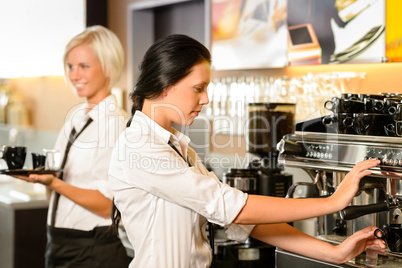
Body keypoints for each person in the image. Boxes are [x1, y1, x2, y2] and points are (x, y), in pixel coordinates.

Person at [108, 34, 384, 268]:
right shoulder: (140, 147)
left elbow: (244, 221)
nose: (206, 99)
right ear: (165, 86)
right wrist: (332, 202)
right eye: (198, 88)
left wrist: (334, 253)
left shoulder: (181, 150)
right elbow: (229, 207)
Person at [14, 25, 130, 268]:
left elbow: (108, 205)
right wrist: (44, 179)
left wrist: (54, 183)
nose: (75, 75)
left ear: (108, 67)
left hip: (92, 251)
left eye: (84, 66)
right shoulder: (75, 118)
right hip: (58, 243)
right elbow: (58, 184)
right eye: (70, 66)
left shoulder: (116, 124)